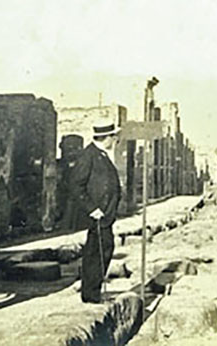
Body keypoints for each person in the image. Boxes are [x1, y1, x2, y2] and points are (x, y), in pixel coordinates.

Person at [70, 121, 121, 304]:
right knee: (98, 252)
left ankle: (92, 292)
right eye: (113, 137)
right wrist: (92, 209)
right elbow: (76, 185)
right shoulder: (88, 155)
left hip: (105, 215)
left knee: (99, 251)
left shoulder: (100, 154)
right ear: (105, 138)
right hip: (97, 215)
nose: (115, 140)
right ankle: (91, 295)